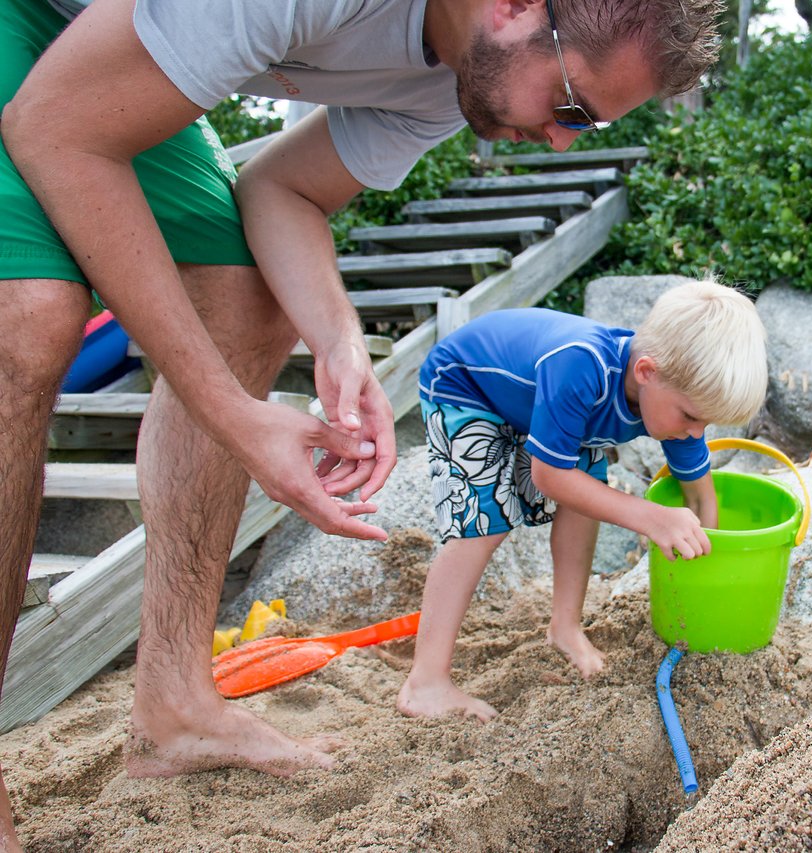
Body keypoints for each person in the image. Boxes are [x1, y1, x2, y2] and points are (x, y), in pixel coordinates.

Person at [0, 0, 725, 846]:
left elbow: (283, 189)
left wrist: (340, 342)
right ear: (515, 7)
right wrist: (235, 415)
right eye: (573, 107)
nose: (564, 140)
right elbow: (58, 127)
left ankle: (176, 702)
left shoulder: (453, 71)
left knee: (247, 301)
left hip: (123, 46)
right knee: (32, 322)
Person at [400, 279, 767, 720]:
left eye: (705, 422)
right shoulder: (581, 365)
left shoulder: (676, 399)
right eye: (690, 417)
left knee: (586, 499)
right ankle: (425, 683)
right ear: (646, 372)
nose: (694, 433)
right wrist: (651, 518)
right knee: (483, 522)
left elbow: (701, 497)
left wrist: (712, 568)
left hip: (539, 403)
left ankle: (565, 626)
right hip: (467, 385)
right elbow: (550, 475)